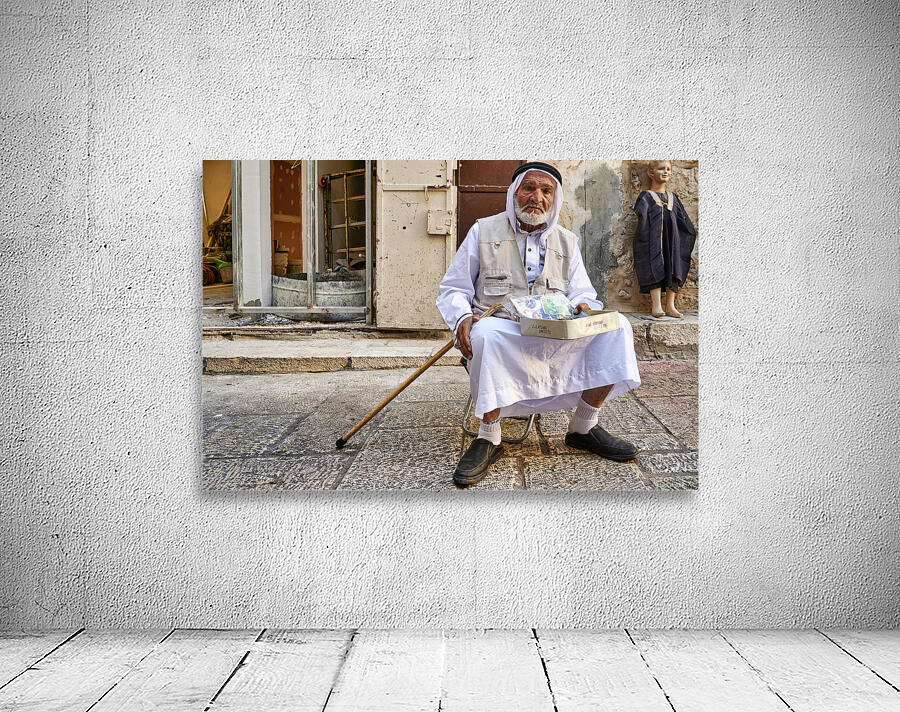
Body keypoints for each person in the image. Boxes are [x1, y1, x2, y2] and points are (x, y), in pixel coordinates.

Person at [436, 162, 641, 487]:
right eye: (529, 188)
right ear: (514, 192)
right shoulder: (483, 231)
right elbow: (453, 288)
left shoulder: (567, 241)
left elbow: (583, 293)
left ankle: (583, 427)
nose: (537, 197)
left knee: (618, 327)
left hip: (556, 334)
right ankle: (489, 436)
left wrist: (585, 306)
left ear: (555, 198)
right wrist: (461, 317)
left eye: (546, 191)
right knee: (486, 333)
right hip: (504, 331)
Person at [632, 160, 697, 318]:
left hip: (672, 241)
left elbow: (683, 221)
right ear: (651, 173)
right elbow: (640, 215)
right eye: (661, 169)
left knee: (674, 266)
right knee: (654, 265)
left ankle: (670, 305)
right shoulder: (646, 196)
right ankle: (657, 306)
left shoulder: (673, 197)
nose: (666, 172)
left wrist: (683, 238)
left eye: (668, 169)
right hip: (653, 241)